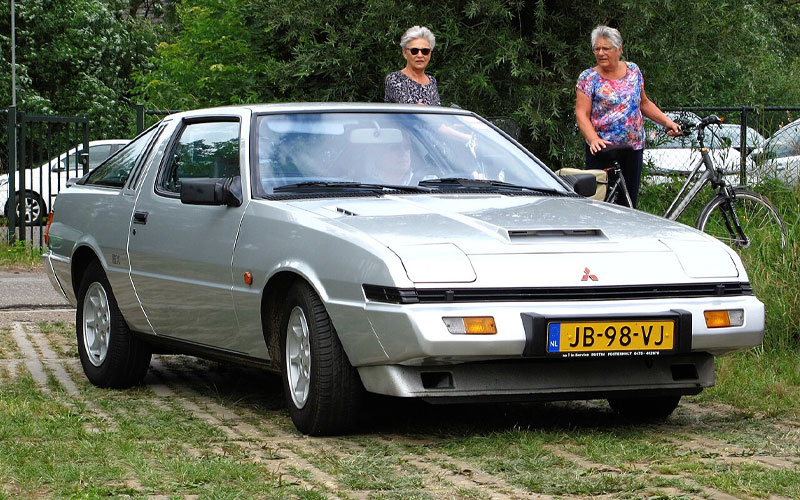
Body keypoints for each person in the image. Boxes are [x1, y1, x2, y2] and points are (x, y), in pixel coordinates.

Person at [575, 25, 680, 207]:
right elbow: (581, 114)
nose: (600, 53)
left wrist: (667, 122)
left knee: (629, 202)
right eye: (597, 49)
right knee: (599, 202)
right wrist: (593, 139)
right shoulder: (588, 78)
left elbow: (644, 103)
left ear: (619, 49)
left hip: (633, 147)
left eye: (605, 48)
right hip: (603, 149)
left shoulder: (633, 71)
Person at [385, 26, 440, 106]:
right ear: (405, 53)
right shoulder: (394, 79)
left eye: (425, 51)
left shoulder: (432, 81)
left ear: (430, 54)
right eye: (414, 51)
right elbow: (414, 110)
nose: (420, 55)